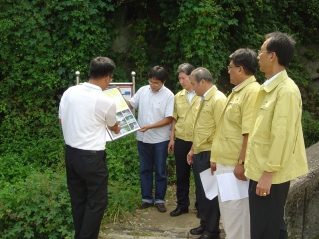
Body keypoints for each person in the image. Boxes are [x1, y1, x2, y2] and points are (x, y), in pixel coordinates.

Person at [245, 32, 309, 239]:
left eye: (261, 51)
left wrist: (268, 175)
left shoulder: (286, 91)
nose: (258, 56)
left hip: (269, 174)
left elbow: (282, 137)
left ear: (272, 56)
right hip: (260, 169)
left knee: (265, 230)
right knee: (272, 226)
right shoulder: (270, 88)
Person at [58, 56, 121, 239]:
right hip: (92, 158)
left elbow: (61, 119)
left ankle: (81, 234)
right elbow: (113, 127)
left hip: (71, 154)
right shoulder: (105, 100)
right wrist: (118, 127)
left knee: (78, 200)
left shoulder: (70, 92)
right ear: (108, 77)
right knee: (97, 201)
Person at [210, 48, 260, 239]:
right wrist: (215, 158)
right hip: (226, 164)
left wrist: (241, 163)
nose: (228, 71)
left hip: (234, 167)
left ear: (240, 69)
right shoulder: (237, 91)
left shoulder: (252, 92)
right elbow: (226, 129)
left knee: (237, 214)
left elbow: (249, 132)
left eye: (230, 67)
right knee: (230, 213)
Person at [127, 66, 174, 213]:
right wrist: (118, 102)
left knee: (160, 171)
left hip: (160, 139)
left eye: (156, 83)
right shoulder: (142, 90)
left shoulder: (169, 96)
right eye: (151, 82)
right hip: (142, 138)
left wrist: (150, 126)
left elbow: (168, 119)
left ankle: (159, 199)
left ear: (163, 81)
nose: (153, 85)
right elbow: (131, 104)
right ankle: (146, 198)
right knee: (144, 169)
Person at [187, 67, 226, 239]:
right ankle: (204, 223)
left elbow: (221, 130)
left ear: (203, 82)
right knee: (202, 192)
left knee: (210, 193)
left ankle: (212, 230)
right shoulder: (203, 98)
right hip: (200, 151)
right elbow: (201, 128)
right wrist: (193, 149)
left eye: (194, 84)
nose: (192, 87)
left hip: (210, 153)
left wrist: (215, 157)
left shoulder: (218, 99)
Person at [168, 63, 201, 217]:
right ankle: (182, 205)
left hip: (198, 141)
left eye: (184, 78)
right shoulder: (178, 97)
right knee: (182, 175)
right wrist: (172, 139)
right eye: (179, 78)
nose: (181, 81)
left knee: (200, 175)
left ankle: (201, 206)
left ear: (191, 76)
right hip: (181, 140)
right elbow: (174, 119)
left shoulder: (202, 95)